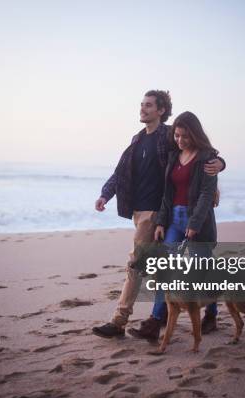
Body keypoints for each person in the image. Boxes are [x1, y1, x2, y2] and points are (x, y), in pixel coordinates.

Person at [92, 91, 225, 339]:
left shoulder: (167, 135)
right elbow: (121, 172)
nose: (142, 109)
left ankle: (121, 322)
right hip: (144, 211)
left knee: (136, 265)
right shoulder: (137, 139)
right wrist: (105, 195)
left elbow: (197, 152)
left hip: (158, 212)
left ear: (161, 110)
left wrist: (220, 163)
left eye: (149, 105)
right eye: (141, 104)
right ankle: (173, 314)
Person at [128, 111, 219, 341]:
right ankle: (155, 321)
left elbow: (207, 195)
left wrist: (195, 223)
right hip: (173, 222)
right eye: (177, 136)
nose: (180, 140)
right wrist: (160, 222)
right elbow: (167, 195)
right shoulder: (173, 156)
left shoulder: (207, 158)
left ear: (195, 135)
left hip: (198, 222)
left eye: (185, 136)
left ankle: (211, 313)